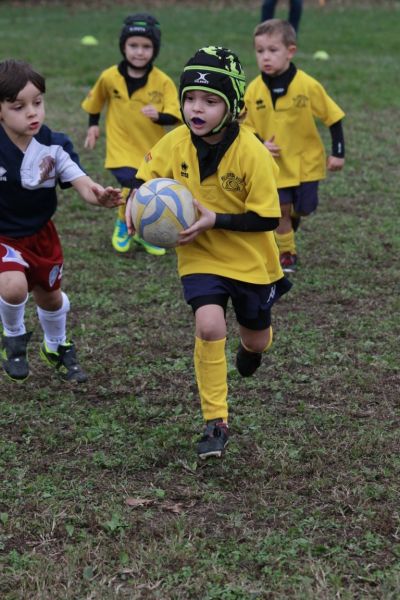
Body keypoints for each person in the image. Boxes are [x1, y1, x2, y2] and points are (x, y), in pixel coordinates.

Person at [125, 46, 292, 459]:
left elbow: (268, 219)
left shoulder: (252, 152)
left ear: (233, 105)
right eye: (189, 98)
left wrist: (216, 219)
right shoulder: (174, 141)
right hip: (200, 255)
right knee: (209, 324)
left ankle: (252, 349)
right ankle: (215, 421)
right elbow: (144, 179)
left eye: (210, 101)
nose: (196, 108)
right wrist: (131, 206)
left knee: (256, 338)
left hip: (252, 260)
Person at [0, 59, 122, 383]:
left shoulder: (55, 145)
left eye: (37, 103)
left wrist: (98, 194)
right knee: (13, 288)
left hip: (41, 236)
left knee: (51, 297)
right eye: (18, 106)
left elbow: (81, 181)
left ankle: (55, 346)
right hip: (5, 237)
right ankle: (12, 338)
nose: (32, 113)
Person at [244, 19, 345, 272]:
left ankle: (291, 222)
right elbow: (245, 128)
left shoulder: (307, 85)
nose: (265, 57)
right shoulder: (253, 90)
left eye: (272, 50)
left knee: (304, 208)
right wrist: (260, 145)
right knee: (280, 211)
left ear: (290, 51)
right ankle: (287, 253)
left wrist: (338, 153)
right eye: (260, 51)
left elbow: (333, 117)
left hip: (305, 164)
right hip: (275, 167)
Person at [81, 12, 181, 256]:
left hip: (149, 150)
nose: (139, 52)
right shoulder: (109, 77)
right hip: (120, 148)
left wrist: (159, 115)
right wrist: (93, 126)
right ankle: (123, 224)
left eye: (146, 46)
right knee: (130, 182)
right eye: (133, 45)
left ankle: (143, 233)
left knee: (144, 190)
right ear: (123, 46)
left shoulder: (163, 81)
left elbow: (176, 115)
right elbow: (95, 102)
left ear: (154, 50)